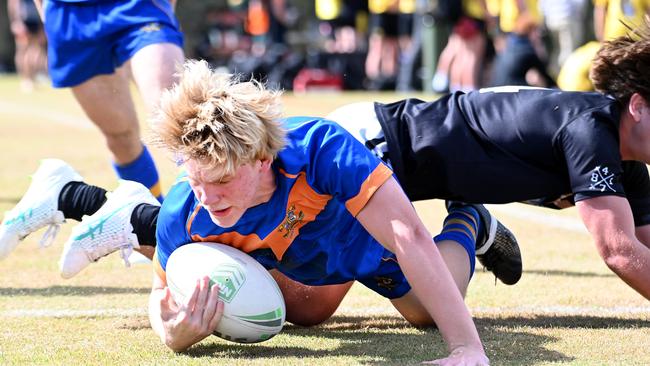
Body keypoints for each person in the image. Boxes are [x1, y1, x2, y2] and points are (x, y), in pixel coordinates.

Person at [0, 60, 526, 364]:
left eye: (223, 179)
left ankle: (469, 219)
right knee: (305, 312)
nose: (206, 195)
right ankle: (110, 207)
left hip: (363, 243)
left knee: (429, 312)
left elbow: (408, 235)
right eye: (196, 178)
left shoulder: (322, 149)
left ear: (262, 158)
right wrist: (175, 334)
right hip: (297, 258)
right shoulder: (186, 208)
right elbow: (164, 302)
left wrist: (466, 347)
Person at [326, 18, 650, 301]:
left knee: (425, 307)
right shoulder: (592, 131)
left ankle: (468, 218)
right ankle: (471, 218)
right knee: (311, 305)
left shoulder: (625, 164)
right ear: (636, 106)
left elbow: (639, 247)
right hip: (368, 144)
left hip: (392, 164)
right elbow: (619, 251)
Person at [32, 0, 185, 203]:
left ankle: (211, 216)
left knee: (178, 115)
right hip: (71, 12)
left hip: (137, 5)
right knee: (119, 137)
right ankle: (151, 217)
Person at [7, 0, 47, 92]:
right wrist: (16, 21)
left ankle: (33, 77)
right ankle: (26, 79)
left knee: (37, 49)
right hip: (23, 19)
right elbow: (13, 3)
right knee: (23, 49)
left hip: (36, 20)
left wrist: (43, 20)